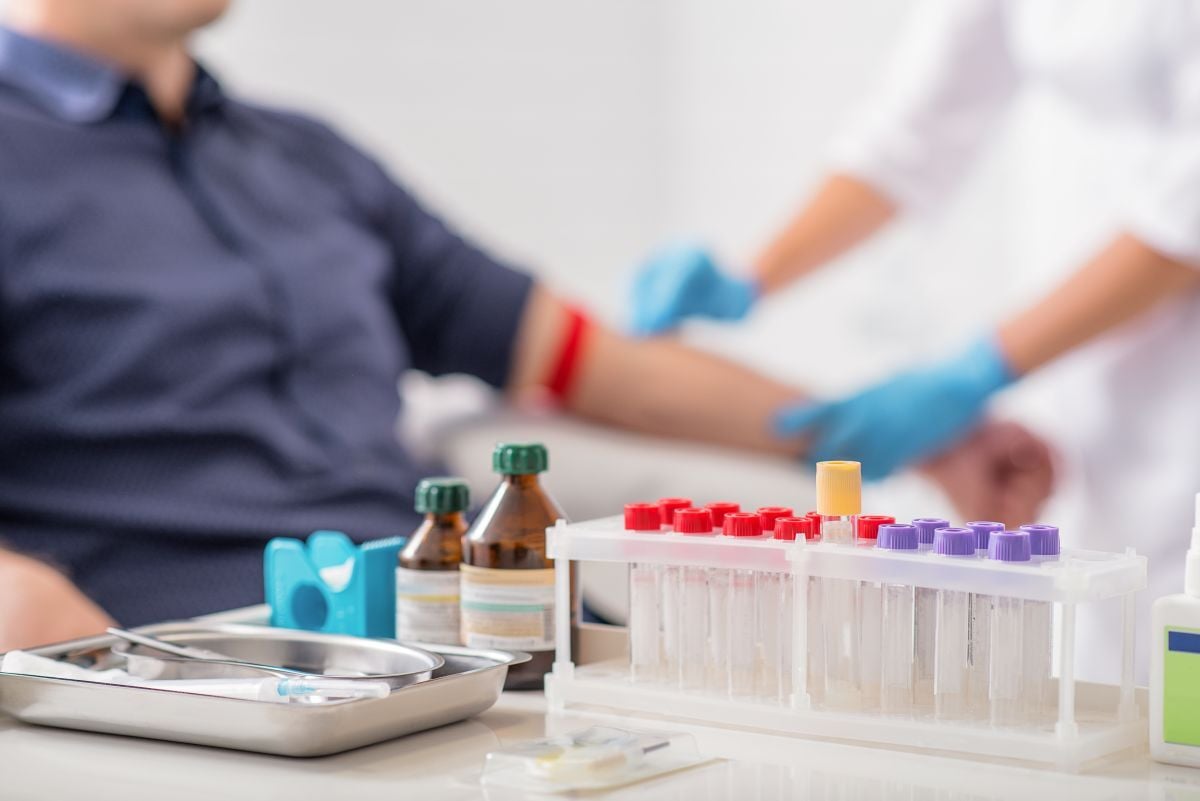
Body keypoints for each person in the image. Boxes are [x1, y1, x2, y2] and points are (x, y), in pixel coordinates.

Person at [0, 0, 1052, 652]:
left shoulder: (308, 159)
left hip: (448, 642)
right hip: (184, 657)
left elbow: (588, 362)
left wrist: (907, 432)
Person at [631, 0, 1200, 677]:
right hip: (1077, 362)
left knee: (1168, 659)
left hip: (1175, 365)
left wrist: (977, 368)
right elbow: (913, 129)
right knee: (1100, 661)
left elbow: (1184, 210)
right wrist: (752, 278)